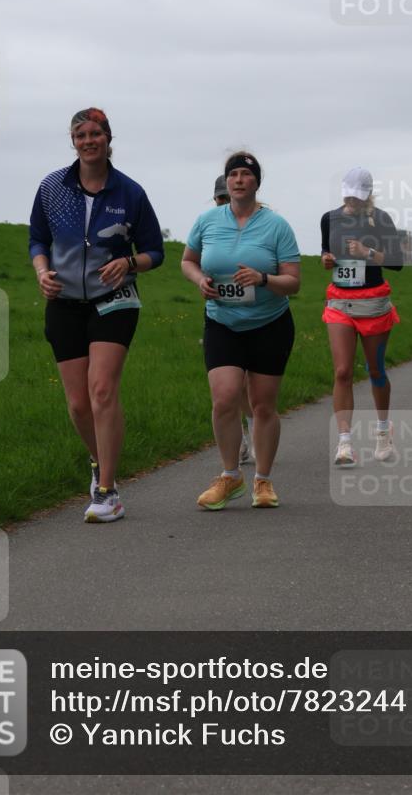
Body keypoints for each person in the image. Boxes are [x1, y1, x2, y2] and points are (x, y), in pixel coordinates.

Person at [29, 107, 164, 522]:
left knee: (102, 390)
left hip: (114, 301)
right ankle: (96, 460)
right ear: (73, 141)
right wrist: (41, 273)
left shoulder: (130, 193)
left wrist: (130, 264)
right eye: (80, 134)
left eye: (96, 134)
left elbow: (155, 250)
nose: (88, 141)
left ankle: (108, 492)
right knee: (77, 404)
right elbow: (37, 238)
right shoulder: (53, 187)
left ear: (109, 139)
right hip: (65, 302)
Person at [182, 153, 300, 509]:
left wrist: (263, 278)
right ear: (226, 182)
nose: (238, 180)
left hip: (270, 324)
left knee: (263, 405)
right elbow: (187, 261)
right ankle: (230, 476)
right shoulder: (207, 221)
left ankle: (263, 481)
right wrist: (200, 279)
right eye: (232, 174)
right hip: (222, 322)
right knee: (224, 398)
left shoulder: (277, 226)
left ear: (256, 182)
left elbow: (293, 282)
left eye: (245, 174)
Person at [320, 167, 403, 467]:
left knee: (375, 369)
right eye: (348, 195)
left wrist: (368, 253)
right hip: (340, 301)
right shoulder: (329, 218)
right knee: (342, 371)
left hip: (373, 303)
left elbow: (397, 262)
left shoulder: (380, 219)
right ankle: (344, 443)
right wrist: (326, 258)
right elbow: (325, 251)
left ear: (368, 194)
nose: (352, 201)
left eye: (358, 196)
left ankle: (383, 430)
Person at [213, 175, 255, 464]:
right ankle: (241, 437)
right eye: (220, 199)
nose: (225, 204)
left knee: (249, 384)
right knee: (230, 386)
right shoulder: (210, 226)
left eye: (226, 199)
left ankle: (255, 428)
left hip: (257, 315)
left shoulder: (256, 224)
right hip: (223, 315)